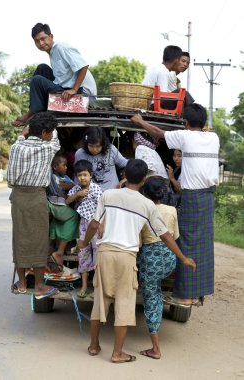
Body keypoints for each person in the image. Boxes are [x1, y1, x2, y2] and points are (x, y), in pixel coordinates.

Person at [76, 159, 196, 363]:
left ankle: (94, 345)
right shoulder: (147, 204)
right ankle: (117, 353)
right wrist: (183, 258)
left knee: (100, 302)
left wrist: (83, 242)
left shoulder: (108, 195)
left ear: (126, 176)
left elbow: (94, 224)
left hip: (105, 252)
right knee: (123, 303)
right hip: (127, 256)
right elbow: (166, 235)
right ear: (142, 180)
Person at [131, 103, 220, 306]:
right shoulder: (213, 138)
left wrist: (139, 121)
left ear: (186, 123)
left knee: (186, 242)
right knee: (202, 244)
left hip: (193, 196)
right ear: (204, 122)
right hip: (208, 197)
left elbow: (158, 133)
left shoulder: (186, 136)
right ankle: (195, 292)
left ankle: (185, 295)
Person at [7, 112, 61, 299]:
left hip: (18, 198)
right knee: (39, 241)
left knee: (19, 238)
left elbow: (22, 136)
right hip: (36, 197)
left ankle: (22, 284)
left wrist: (25, 133)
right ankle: (39, 286)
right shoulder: (48, 147)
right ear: (45, 132)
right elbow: (56, 141)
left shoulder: (16, 146)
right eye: (50, 131)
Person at [13, 23, 97, 126]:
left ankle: (33, 112)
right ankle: (35, 109)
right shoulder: (52, 52)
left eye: (43, 39)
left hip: (81, 91)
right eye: (37, 41)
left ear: (51, 36)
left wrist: (74, 89)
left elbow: (84, 66)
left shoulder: (61, 47)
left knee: (37, 80)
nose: (41, 43)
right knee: (42, 68)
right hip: (66, 87)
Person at [139, 176, 180, 359]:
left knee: (151, 301)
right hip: (170, 260)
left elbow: (139, 242)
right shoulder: (172, 210)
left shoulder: (143, 210)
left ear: (145, 193)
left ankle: (155, 349)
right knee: (156, 291)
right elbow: (175, 236)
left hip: (151, 260)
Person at [66, 160, 102, 298]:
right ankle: (84, 286)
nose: (82, 178)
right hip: (83, 225)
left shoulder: (96, 189)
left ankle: (97, 287)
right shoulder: (76, 189)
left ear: (91, 175)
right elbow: (67, 201)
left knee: (98, 254)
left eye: (85, 175)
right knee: (83, 254)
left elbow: (102, 207)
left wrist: (102, 225)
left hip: (96, 225)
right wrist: (77, 195)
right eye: (79, 175)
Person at [47, 153, 79, 271]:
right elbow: (60, 187)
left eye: (67, 165)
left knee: (58, 220)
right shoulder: (53, 177)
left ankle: (52, 247)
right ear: (55, 167)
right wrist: (68, 185)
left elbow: (71, 185)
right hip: (55, 203)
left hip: (62, 203)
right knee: (74, 217)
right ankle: (59, 251)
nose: (66, 167)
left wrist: (68, 185)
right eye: (64, 165)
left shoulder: (66, 177)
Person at [74, 126, 128, 192]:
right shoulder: (80, 154)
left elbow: (127, 164)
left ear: (103, 144)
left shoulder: (111, 149)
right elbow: (77, 176)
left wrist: (126, 179)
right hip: (91, 196)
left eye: (98, 146)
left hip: (113, 193)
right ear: (86, 144)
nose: (94, 149)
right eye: (91, 146)